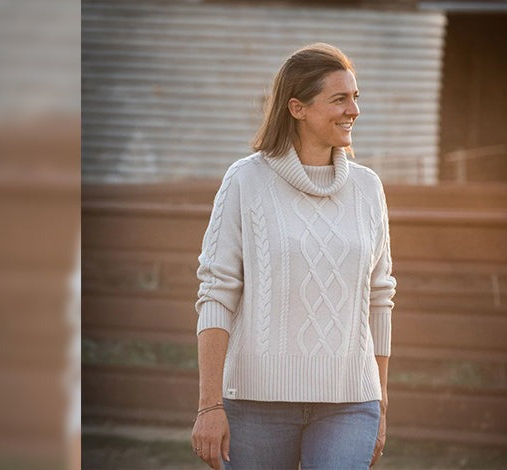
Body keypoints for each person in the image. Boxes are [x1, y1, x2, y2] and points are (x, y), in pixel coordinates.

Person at [191, 42, 396, 470]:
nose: (353, 110)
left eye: (355, 97)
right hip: (256, 403)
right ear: (297, 108)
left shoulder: (368, 189)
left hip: (350, 400)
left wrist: (381, 400)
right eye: (339, 99)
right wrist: (209, 406)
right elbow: (217, 292)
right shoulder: (245, 181)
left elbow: (380, 297)